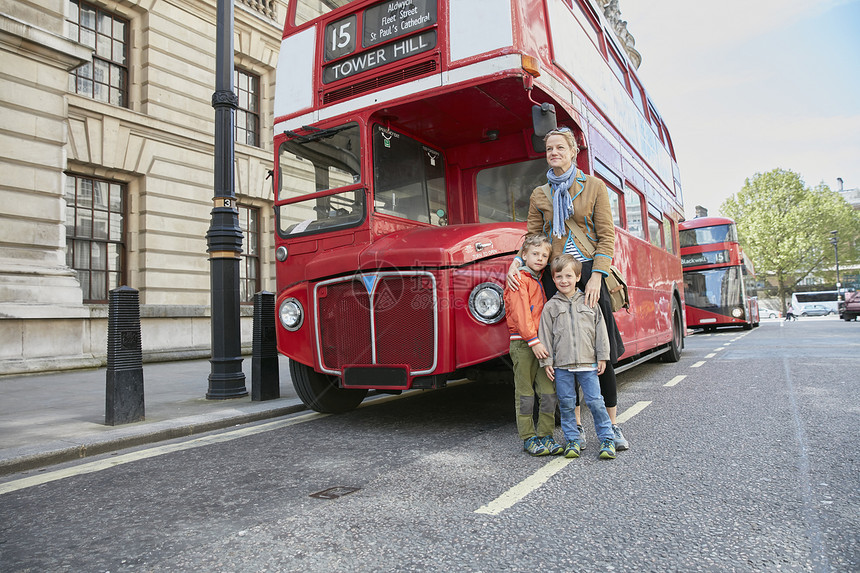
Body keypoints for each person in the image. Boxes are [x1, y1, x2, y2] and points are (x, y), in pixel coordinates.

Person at [506, 126, 629, 451]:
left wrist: (597, 276)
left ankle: (613, 426)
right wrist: (516, 262)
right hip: (555, 275)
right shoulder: (540, 194)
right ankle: (575, 427)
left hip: (589, 273)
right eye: (550, 149)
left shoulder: (594, 187)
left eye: (560, 147)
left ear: (574, 151)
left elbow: (606, 236)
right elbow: (532, 237)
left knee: (598, 352)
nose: (554, 153)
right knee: (563, 355)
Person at [538, 254, 616, 460]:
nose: (564, 281)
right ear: (553, 279)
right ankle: (572, 439)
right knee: (566, 403)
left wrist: (602, 357)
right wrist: (547, 362)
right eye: (559, 277)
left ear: (578, 276)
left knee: (595, 402)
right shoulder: (550, 307)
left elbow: (601, 331)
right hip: (562, 366)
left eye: (568, 276)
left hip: (588, 363)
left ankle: (607, 439)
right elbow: (545, 336)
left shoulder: (589, 302)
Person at [503, 233, 562, 456]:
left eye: (544, 255)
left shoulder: (537, 279)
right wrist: (534, 341)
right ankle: (528, 437)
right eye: (535, 254)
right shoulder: (519, 279)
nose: (539, 258)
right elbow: (520, 315)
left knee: (548, 392)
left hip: (541, 344)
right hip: (524, 344)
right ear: (524, 255)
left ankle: (546, 435)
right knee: (526, 393)